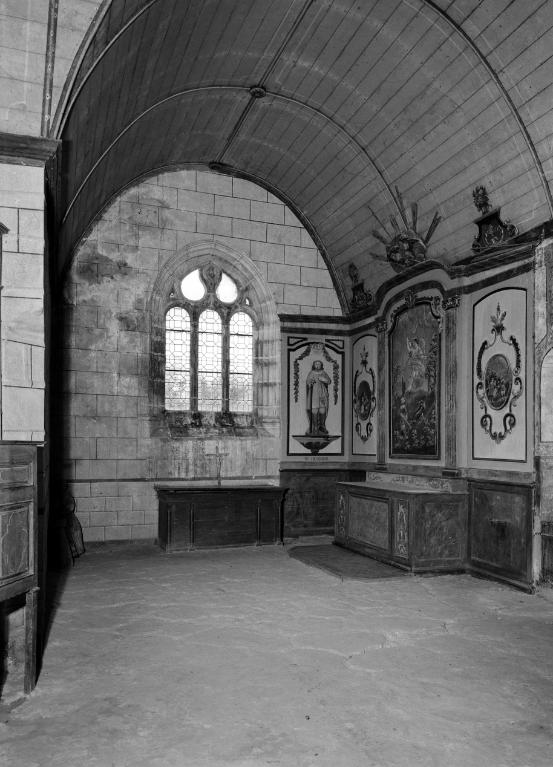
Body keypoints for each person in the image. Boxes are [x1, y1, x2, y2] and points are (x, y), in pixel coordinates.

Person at [306, 360, 331, 435]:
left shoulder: (323, 373)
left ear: (321, 365)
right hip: (314, 393)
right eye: (316, 364)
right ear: (314, 365)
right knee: (314, 409)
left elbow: (329, 381)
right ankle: (315, 427)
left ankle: (322, 426)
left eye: (319, 364)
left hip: (322, 392)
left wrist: (323, 379)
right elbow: (308, 381)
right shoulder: (312, 373)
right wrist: (311, 382)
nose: (317, 365)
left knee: (322, 409)